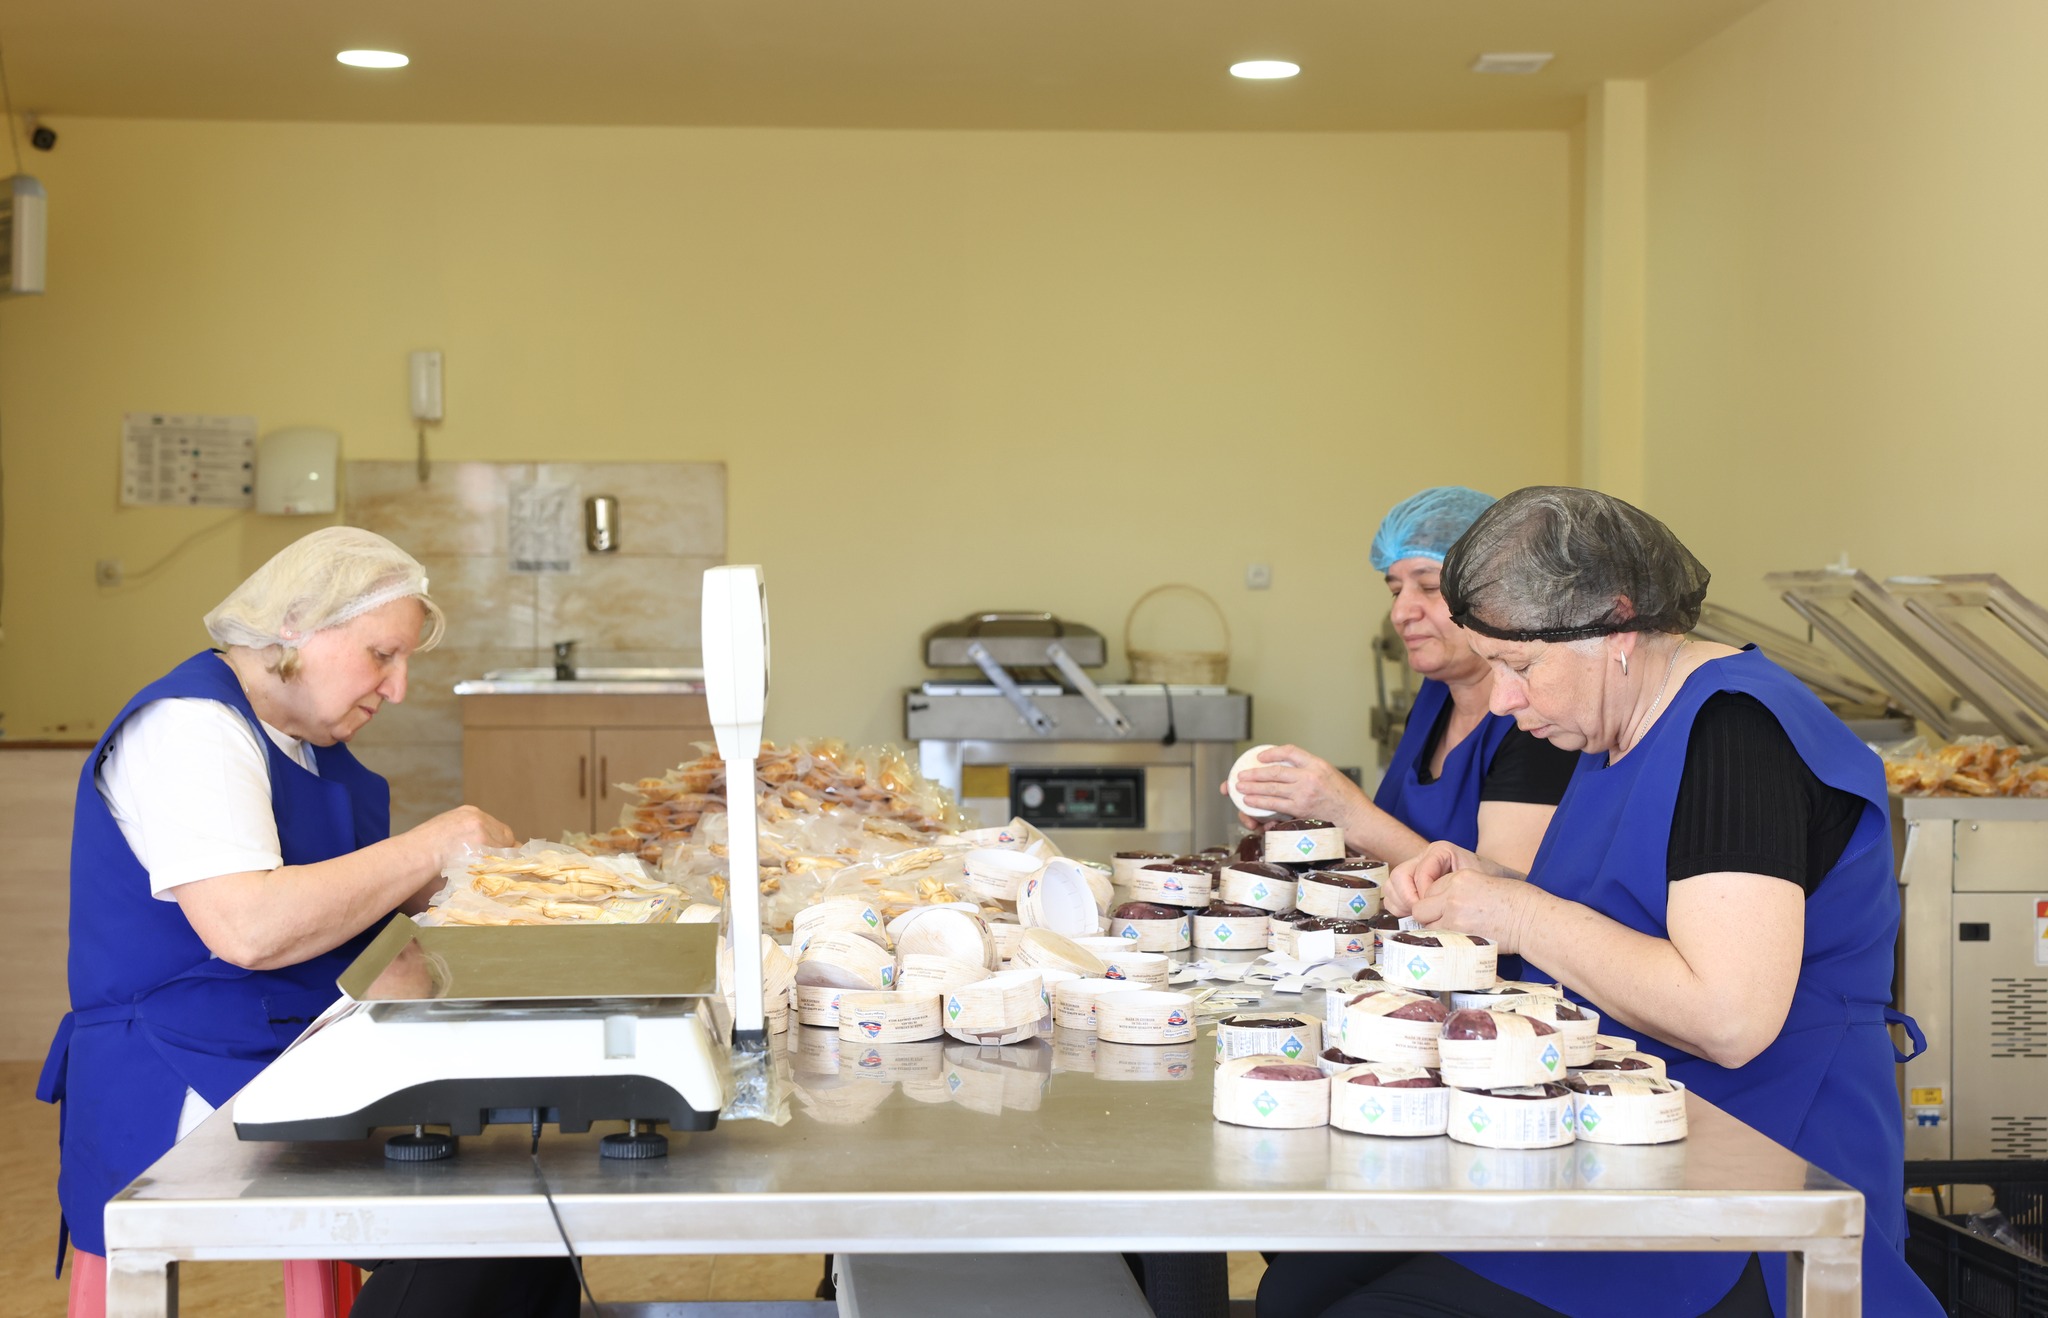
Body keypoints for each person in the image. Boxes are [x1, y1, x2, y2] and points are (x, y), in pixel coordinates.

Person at [1259, 487, 1937, 1317]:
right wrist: (1482, 881)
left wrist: (1517, 914)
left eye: (1519, 669)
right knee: (1297, 1283)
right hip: (1614, 1135)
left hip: (1750, 1172)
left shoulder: (1736, 738)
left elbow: (1728, 1018)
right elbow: (1617, 909)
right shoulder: (1612, 726)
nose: (1503, 701)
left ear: (1616, 624)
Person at [37, 526, 579, 1318]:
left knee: (534, 1219)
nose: (397, 688)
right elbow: (251, 929)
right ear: (294, 624)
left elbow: (336, 911)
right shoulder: (190, 728)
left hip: (279, 1047)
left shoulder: (302, 744)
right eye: (382, 655)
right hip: (183, 1072)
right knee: (481, 1226)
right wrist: (432, 845)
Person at [1229, 486, 1577, 873]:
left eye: (1428, 587)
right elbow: (1389, 846)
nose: (1400, 613)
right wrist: (1308, 821)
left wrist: (1348, 812)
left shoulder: (1538, 723)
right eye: (1396, 591)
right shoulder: (1434, 697)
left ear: (1498, 592)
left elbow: (1504, 894)